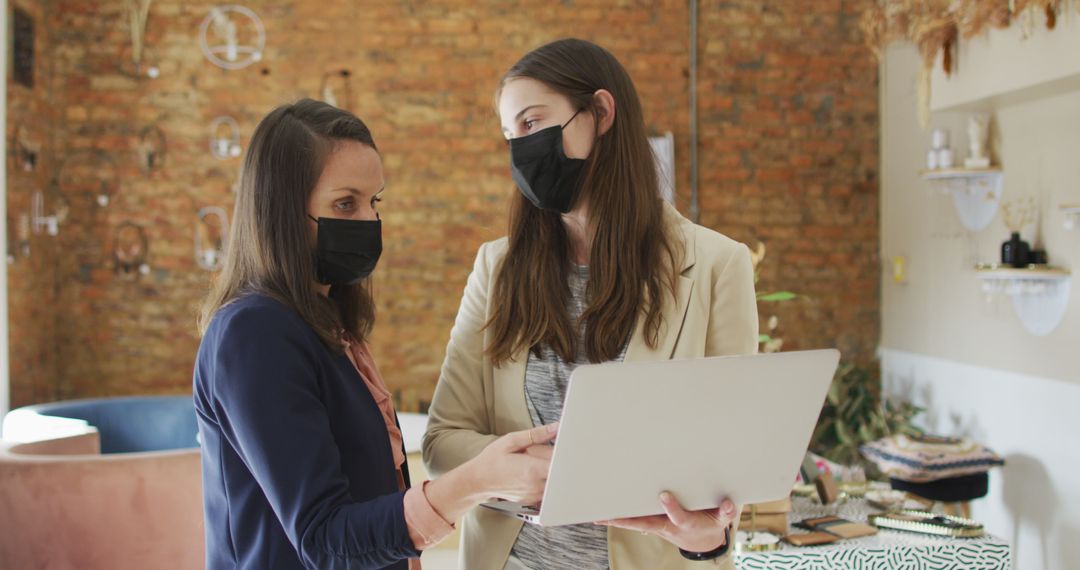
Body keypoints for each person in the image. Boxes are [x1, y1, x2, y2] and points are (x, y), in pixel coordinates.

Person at [422, 39, 760, 569]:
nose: (521, 149)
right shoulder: (497, 267)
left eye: (533, 123)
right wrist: (533, 468)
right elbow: (442, 443)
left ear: (601, 112)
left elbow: (727, 468)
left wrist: (707, 538)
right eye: (511, 135)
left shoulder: (717, 265)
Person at [193, 99, 558, 570]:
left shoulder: (326, 324)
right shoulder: (253, 333)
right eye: (346, 204)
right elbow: (324, 539)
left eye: (374, 202)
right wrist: (474, 481)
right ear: (280, 211)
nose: (368, 221)